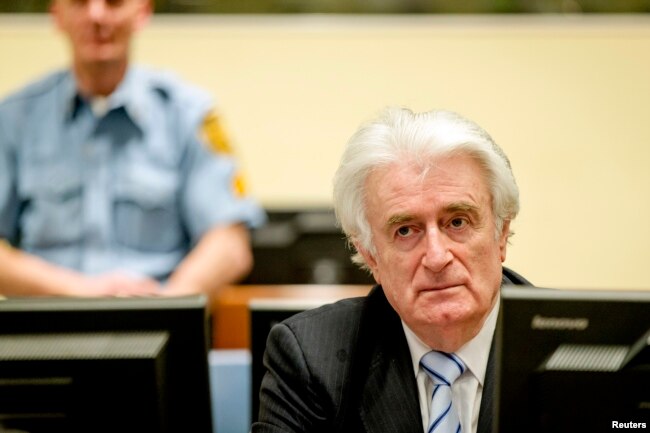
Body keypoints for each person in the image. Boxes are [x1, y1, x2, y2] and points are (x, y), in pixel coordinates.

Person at [253, 107, 526, 433]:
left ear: (500, 235)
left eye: (457, 222)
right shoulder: (312, 360)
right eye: (406, 231)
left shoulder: (575, 347)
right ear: (370, 256)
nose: (437, 257)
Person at [0, 0, 266, 298]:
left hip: (162, 327)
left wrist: (165, 310)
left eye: (114, 2)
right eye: (79, 2)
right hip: (46, 334)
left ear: (142, 12)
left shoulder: (188, 115)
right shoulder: (13, 119)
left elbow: (229, 244)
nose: (97, 15)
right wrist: (80, 294)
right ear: (56, 14)